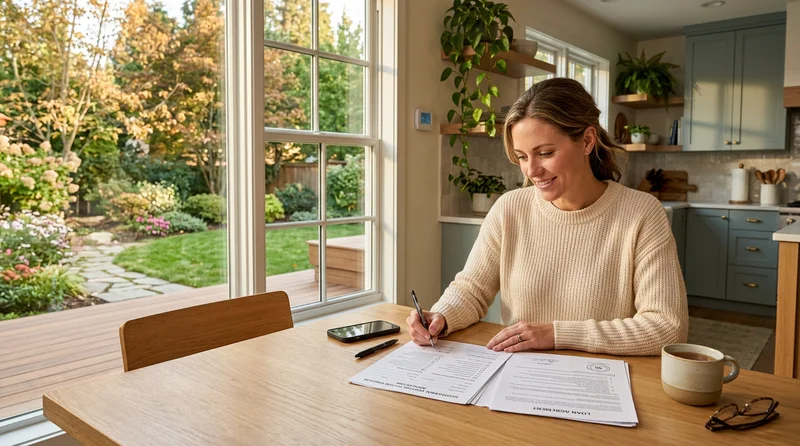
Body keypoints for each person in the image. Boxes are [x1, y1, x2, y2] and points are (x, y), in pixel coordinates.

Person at [407, 78, 688, 356]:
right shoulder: (509, 209)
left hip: (599, 380)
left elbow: (667, 326)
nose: (531, 170)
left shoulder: (641, 214)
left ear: (587, 141)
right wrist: (441, 316)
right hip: (518, 375)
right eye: (521, 157)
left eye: (545, 153)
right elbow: (472, 289)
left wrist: (556, 334)